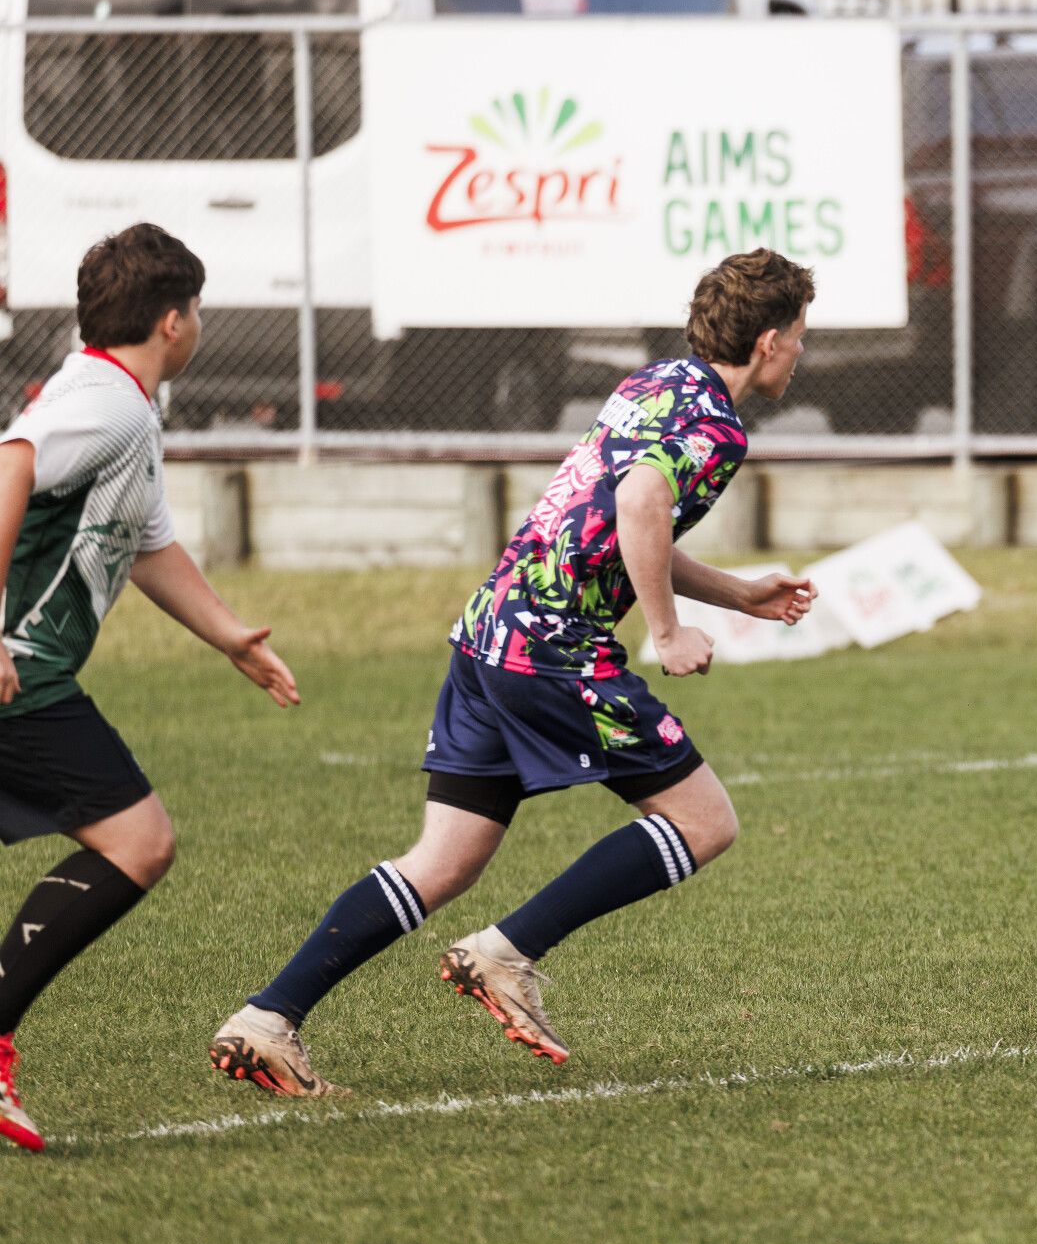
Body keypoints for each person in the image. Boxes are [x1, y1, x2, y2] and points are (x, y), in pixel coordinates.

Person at [209, 250, 818, 1097]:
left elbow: (618, 520)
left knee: (446, 858)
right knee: (704, 820)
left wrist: (739, 593)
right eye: (800, 334)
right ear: (767, 340)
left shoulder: (656, 382)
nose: (802, 350)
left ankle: (266, 1018)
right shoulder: (718, 425)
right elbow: (641, 503)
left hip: (492, 627)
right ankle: (505, 951)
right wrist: (669, 631)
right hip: (552, 646)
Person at [0, 225, 300, 1152]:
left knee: (136, 839)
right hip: (21, 673)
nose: (199, 325)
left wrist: (228, 636)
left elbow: (146, 544)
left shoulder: (111, 399)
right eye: (197, 310)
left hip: (26, 671)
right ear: (173, 321)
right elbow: (11, 460)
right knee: (140, 839)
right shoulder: (108, 406)